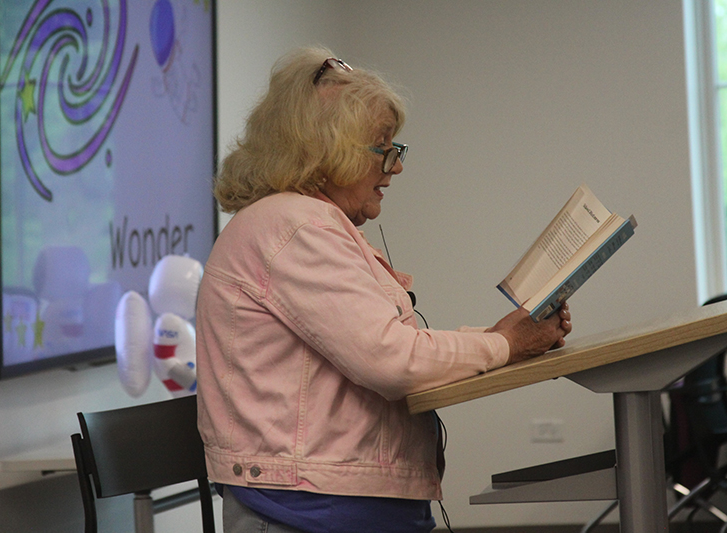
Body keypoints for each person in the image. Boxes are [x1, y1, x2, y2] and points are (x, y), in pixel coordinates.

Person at [195, 47, 572, 533]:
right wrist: (504, 343)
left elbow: (386, 349)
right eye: (382, 148)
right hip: (308, 511)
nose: (394, 168)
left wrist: (503, 337)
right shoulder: (294, 227)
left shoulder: (299, 223)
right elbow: (392, 361)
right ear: (325, 150)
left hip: (330, 504)